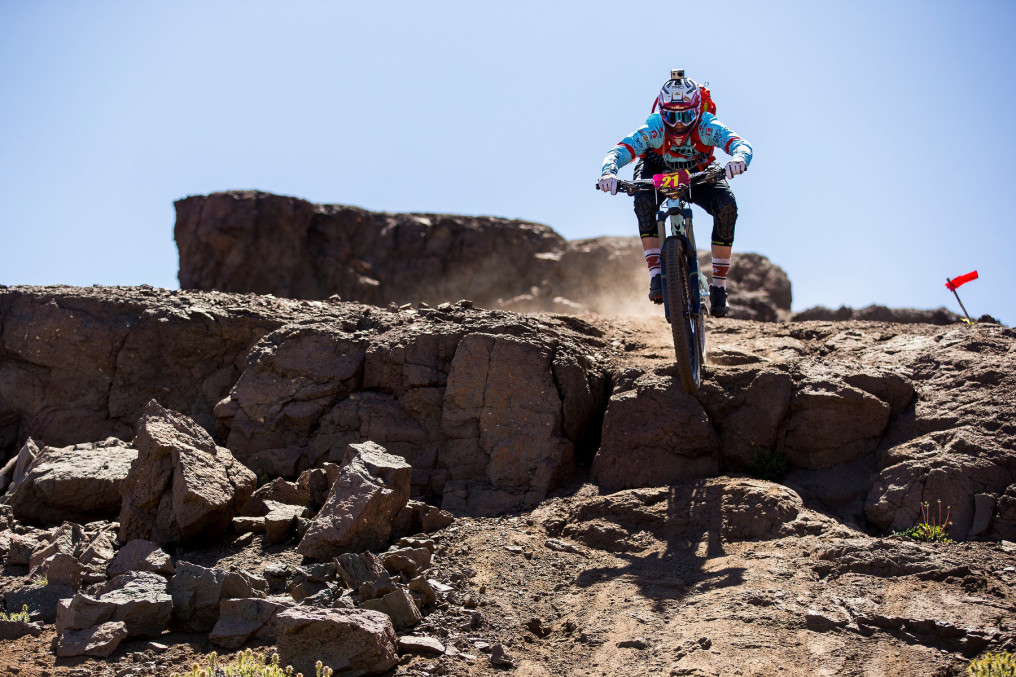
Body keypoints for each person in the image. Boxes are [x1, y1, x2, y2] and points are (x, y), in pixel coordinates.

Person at [597, 69, 753, 317]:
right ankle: (657, 274)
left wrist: (739, 158)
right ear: (661, 112)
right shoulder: (654, 128)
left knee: (726, 207)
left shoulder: (707, 125)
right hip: (657, 170)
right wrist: (609, 173)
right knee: (643, 201)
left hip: (699, 173)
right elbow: (620, 151)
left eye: (687, 115)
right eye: (670, 115)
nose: (679, 123)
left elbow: (739, 143)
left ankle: (719, 286)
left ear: (698, 111)